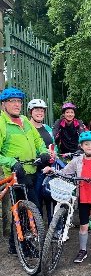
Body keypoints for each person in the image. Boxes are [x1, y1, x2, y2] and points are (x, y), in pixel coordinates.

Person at [44, 131, 91, 265]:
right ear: (81, 146)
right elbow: (65, 172)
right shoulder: (77, 161)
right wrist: (53, 170)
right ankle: (83, 250)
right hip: (83, 198)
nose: (90, 146)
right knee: (83, 226)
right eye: (86, 144)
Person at [0, 88, 51, 254]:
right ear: (3, 105)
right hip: (15, 175)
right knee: (29, 208)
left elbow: (37, 140)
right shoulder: (2, 123)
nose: (16, 104)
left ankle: (14, 246)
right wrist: (12, 162)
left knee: (25, 209)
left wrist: (43, 152)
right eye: (12, 101)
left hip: (32, 170)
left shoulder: (24, 120)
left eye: (19, 101)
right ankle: (24, 246)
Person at [27, 98, 56, 224]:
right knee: (37, 202)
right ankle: (38, 230)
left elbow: (54, 145)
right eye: (36, 110)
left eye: (42, 110)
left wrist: (55, 154)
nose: (40, 113)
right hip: (36, 169)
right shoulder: (26, 128)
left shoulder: (47, 128)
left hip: (50, 169)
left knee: (52, 200)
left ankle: (54, 229)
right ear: (30, 112)